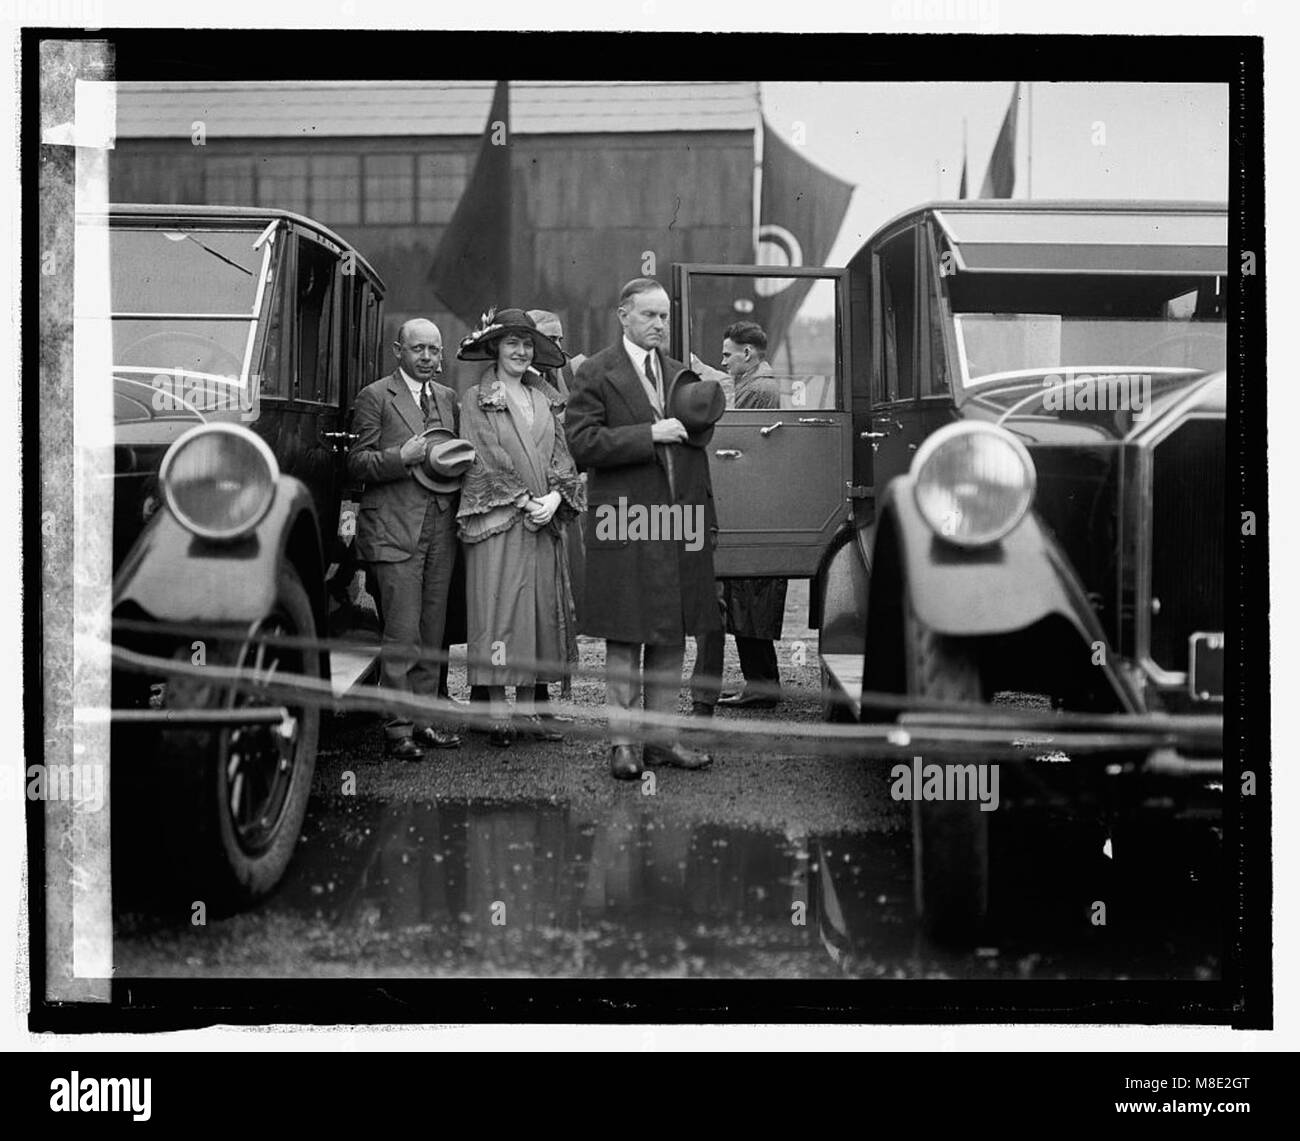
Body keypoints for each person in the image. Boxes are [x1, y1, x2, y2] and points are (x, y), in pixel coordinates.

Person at [565, 277, 724, 780]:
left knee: (672, 631)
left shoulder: (680, 374)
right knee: (624, 632)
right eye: (650, 315)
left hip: (677, 523)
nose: (660, 324)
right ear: (624, 315)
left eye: (665, 316)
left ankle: (661, 741)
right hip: (625, 522)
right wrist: (647, 434)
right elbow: (582, 444)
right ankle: (623, 745)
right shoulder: (595, 372)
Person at [455, 308, 586, 748]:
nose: (520, 350)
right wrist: (525, 499)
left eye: (526, 343)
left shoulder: (547, 397)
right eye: (511, 342)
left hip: (542, 521)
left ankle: (530, 709)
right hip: (498, 520)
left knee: (537, 615)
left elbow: (562, 457)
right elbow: (482, 456)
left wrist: (554, 498)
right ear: (495, 347)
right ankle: (492, 710)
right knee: (498, 613)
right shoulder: (476, 398)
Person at [348, 318, 464, 758]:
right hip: (394, 529)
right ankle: (398, 730)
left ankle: (424, 721)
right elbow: (357, 463)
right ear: (399, 350)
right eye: (419, 349)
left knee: (432, 631)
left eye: (435, 350)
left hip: (439, 528)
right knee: (401, 632)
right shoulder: (375, 396)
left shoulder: (449, 399)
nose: (429, 358)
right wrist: (403, 456)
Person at [691, 321, 789, 712]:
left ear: (747, 354)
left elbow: (730, 432)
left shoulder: (758, 389)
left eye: (728, 354)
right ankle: (763, 683)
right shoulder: (757, 383)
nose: (724, 360)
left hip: (752, 504)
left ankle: (763, 686)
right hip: (757, 501)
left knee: (749, 597)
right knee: (748, 598)